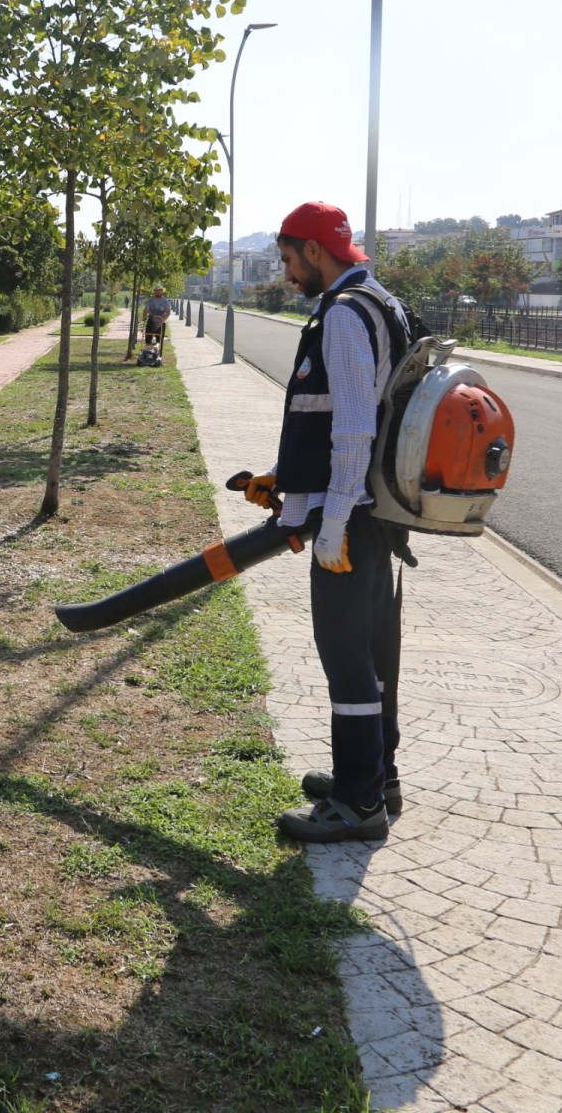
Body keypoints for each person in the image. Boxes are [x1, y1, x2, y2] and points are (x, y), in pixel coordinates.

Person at [238, 202, 409, 843]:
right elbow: (336, 417)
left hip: (353, 517)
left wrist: (331, 519)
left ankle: (359, 805)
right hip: (372, 512)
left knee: (346, 658)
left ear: (314, 250)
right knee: (369, 654)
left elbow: (354, 426)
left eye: (287, 259)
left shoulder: (341, 315)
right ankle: (376, 776)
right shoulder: (377, 299)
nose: (285, 274)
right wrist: (289, 488)